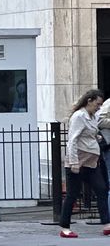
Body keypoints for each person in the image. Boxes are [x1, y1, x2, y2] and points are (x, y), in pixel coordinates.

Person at [59, 89, 110, 238]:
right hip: (78, 162)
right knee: (72, 195)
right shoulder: (79, 116)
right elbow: (73, 140)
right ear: (89, 101)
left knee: (101, 189)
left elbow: (89, 134)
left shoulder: (91, 116)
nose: (99, 107)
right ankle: (65, 227)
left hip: (91, 162)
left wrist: (97, 138)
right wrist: (74, 162)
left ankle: (107, 223)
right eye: (97, 104)